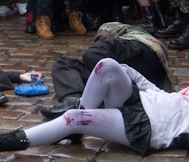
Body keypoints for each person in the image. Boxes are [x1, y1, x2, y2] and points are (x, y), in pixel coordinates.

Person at [0, 57, 189, 161]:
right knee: (107, 65)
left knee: (73, 118)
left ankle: (1, 143)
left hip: (148, 127)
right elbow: (162, 94)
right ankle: (79, 121)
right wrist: (128, 72)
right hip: (142, 102)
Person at [39, 22, 173, 119]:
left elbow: (100, 45)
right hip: (149, 72)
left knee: (92, 54)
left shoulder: (117, 30)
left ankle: (77, 102)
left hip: (142, 51)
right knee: (65, 63)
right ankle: (72, 100)